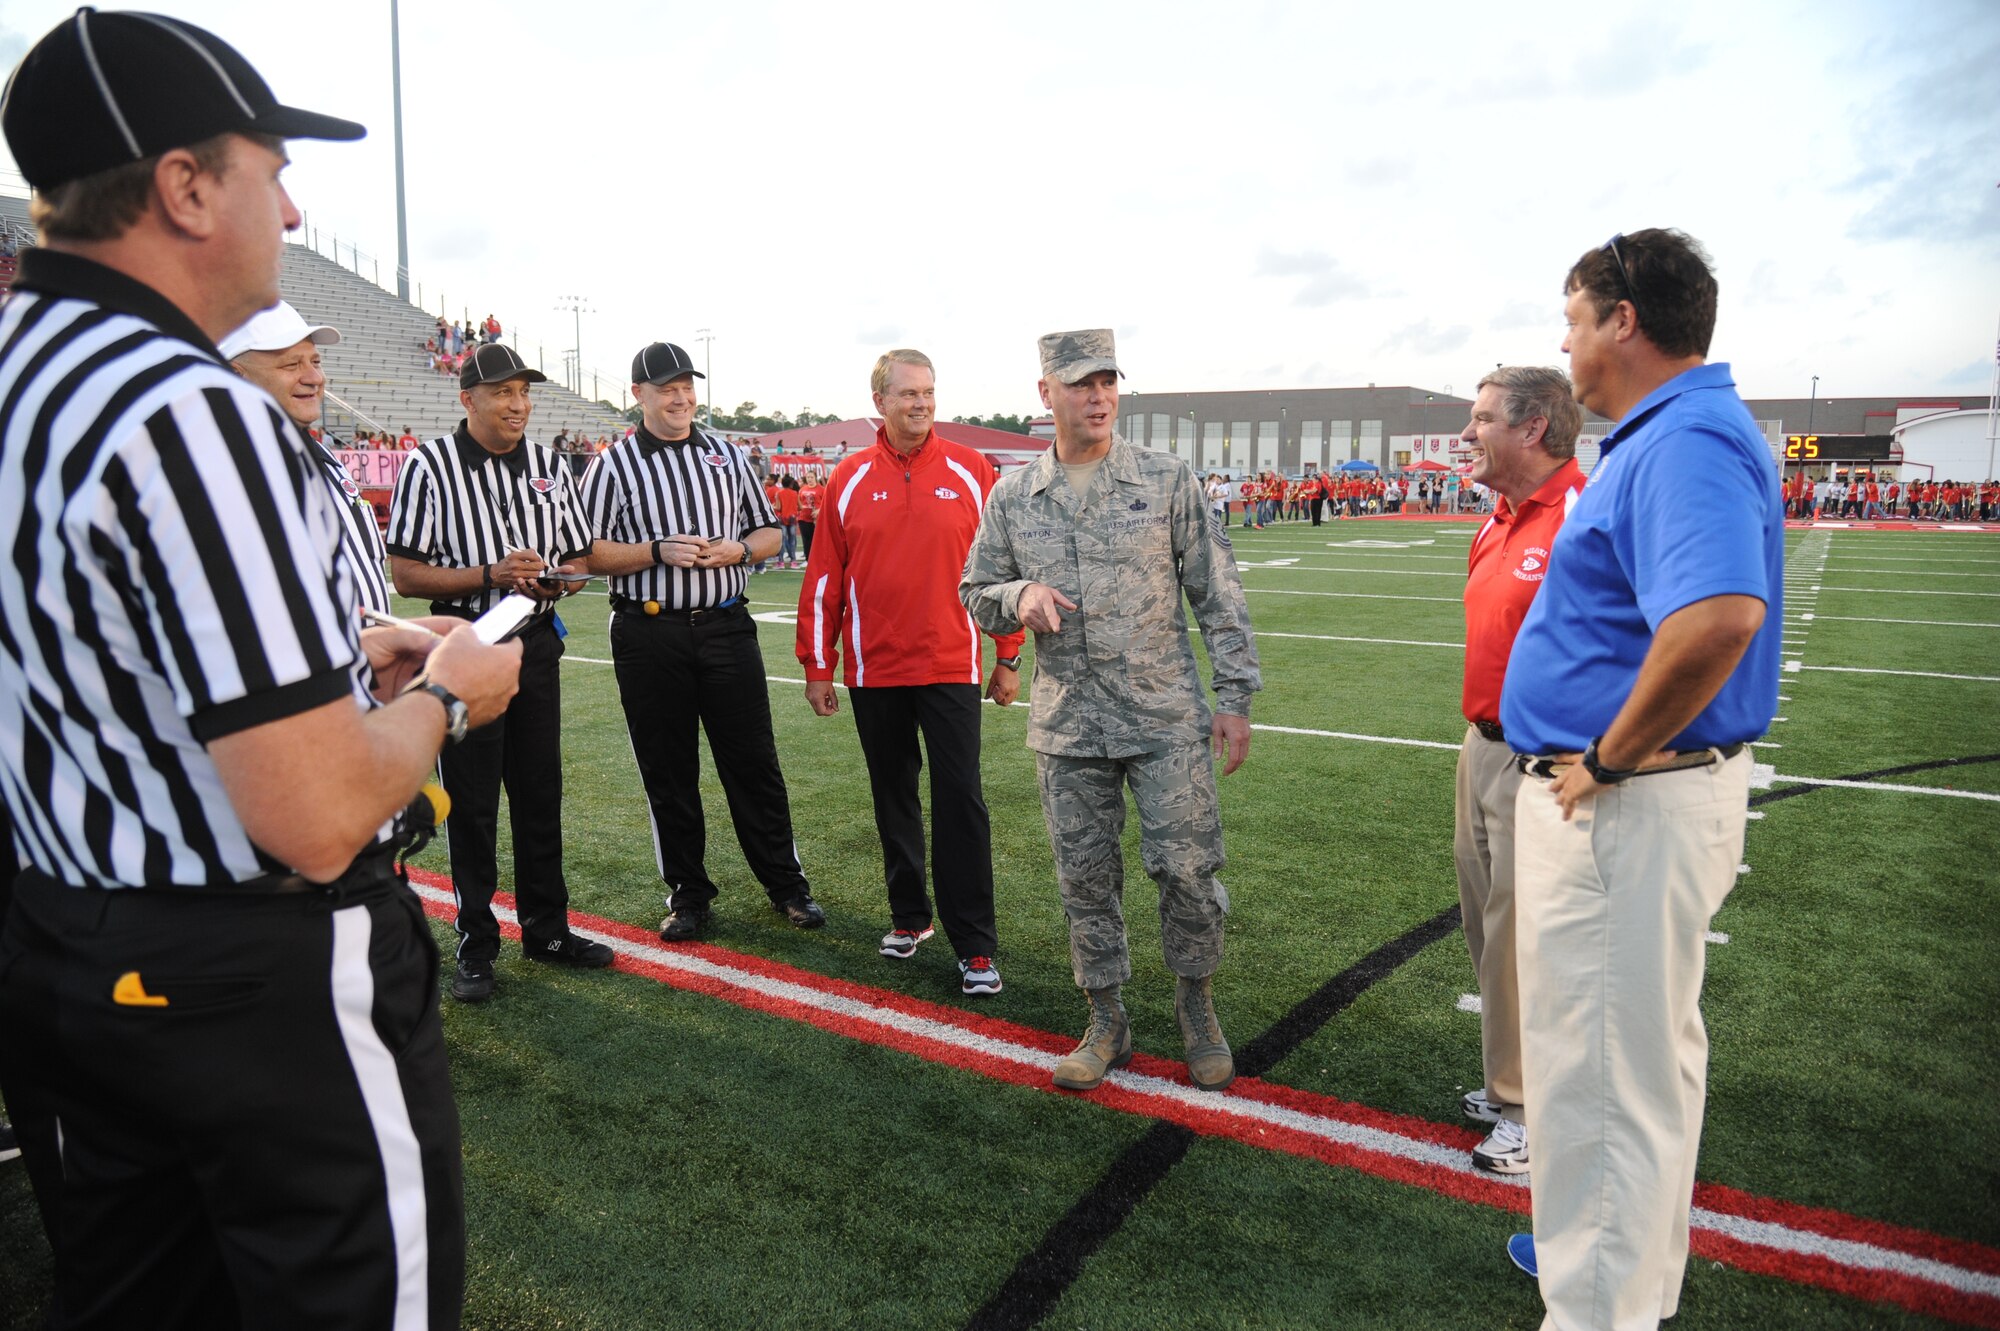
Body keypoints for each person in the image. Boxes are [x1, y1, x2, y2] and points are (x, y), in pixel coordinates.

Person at [0, 12, 527, 1325]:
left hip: (61, 940)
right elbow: (313, 812)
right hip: (246, 980)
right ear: (183, 186)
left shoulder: (23, 368)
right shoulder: (185, 403)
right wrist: (451, 688)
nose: (290, 206)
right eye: (269, 168)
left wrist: (352, 648)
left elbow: (101, 635)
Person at [1501, 229, 1782, 1328]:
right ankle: (1626, 1288)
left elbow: (1716, 616)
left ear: (1622, 319)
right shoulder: (1676, 431)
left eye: (1572, 316)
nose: (1564, 339)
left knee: (1599, 1081)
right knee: (1636, 1070)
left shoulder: (1682, 439)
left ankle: (1598, 1311)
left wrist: (1607, 757)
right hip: (1642, 802)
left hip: (1624, 806)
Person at [961, 329, 1260, 1093]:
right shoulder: (1013, 495)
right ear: (1046, 394)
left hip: (1164, 720)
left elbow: (1217, 594)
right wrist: (1014, 596)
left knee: (1188, 872)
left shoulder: (1165, 480)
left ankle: (1197, 1005)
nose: (1097, 396)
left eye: (1107, 381)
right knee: (1085, 882)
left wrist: (1234, 699)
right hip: (1068, 724)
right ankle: (1106, 1017)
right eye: (1080, 383)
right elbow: (974, 593)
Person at [386, 342, 612, 1003]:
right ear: (468, 399)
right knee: (474, 804)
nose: (519, 404)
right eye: (504, 393)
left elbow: (577, 557)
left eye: (524, 392)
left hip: (534, 645)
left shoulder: (548, 463)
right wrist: (491, 573)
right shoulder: (430, 466)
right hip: (465, 647)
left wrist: (556, 579)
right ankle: (476, 946)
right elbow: (406, 573)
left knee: (541, 796)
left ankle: (547, 930)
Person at [796, 350, 1025, 995]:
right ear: (880, 402)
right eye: (907, 394)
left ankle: (975, 946)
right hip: (875, 670)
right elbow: (823, 580)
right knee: (893, 796)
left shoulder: (972, 469)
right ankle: (909, 917)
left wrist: (1007, 655)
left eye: (928, 392)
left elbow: (1002, 570)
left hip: (951, 663)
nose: (920, 403)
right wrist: (820, 664)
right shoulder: (847, 477)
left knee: (961, 801)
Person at [580, 341, 824, 941]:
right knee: (669, 768)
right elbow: (585, 554)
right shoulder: (611, 466)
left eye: (687, 385)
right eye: (666, 388)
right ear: (638, 395)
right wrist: (654, 551)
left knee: (754, 762)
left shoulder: (726, 456)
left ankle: (786, 884)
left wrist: (739, 549)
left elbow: (766, 531)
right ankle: (688, 894)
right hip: (648, 630)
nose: (680, 397)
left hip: (724, 625)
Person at [1451, 366, 1587, 1179]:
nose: (1468, 433)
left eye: (1481, 418)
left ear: (1531, 429)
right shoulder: (1498, 516)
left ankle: (1529, 1107)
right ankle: (1513, 1076)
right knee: (1486, 927)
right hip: (1484, 745)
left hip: (1547, 758)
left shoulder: (1580, 515)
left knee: (1522, 938)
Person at [220, 301, 393, 618]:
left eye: (316, 361)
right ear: (236, 376)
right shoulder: (224, 472)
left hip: (370, 662)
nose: (314, 377)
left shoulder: (324, 457)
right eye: (291, 365)